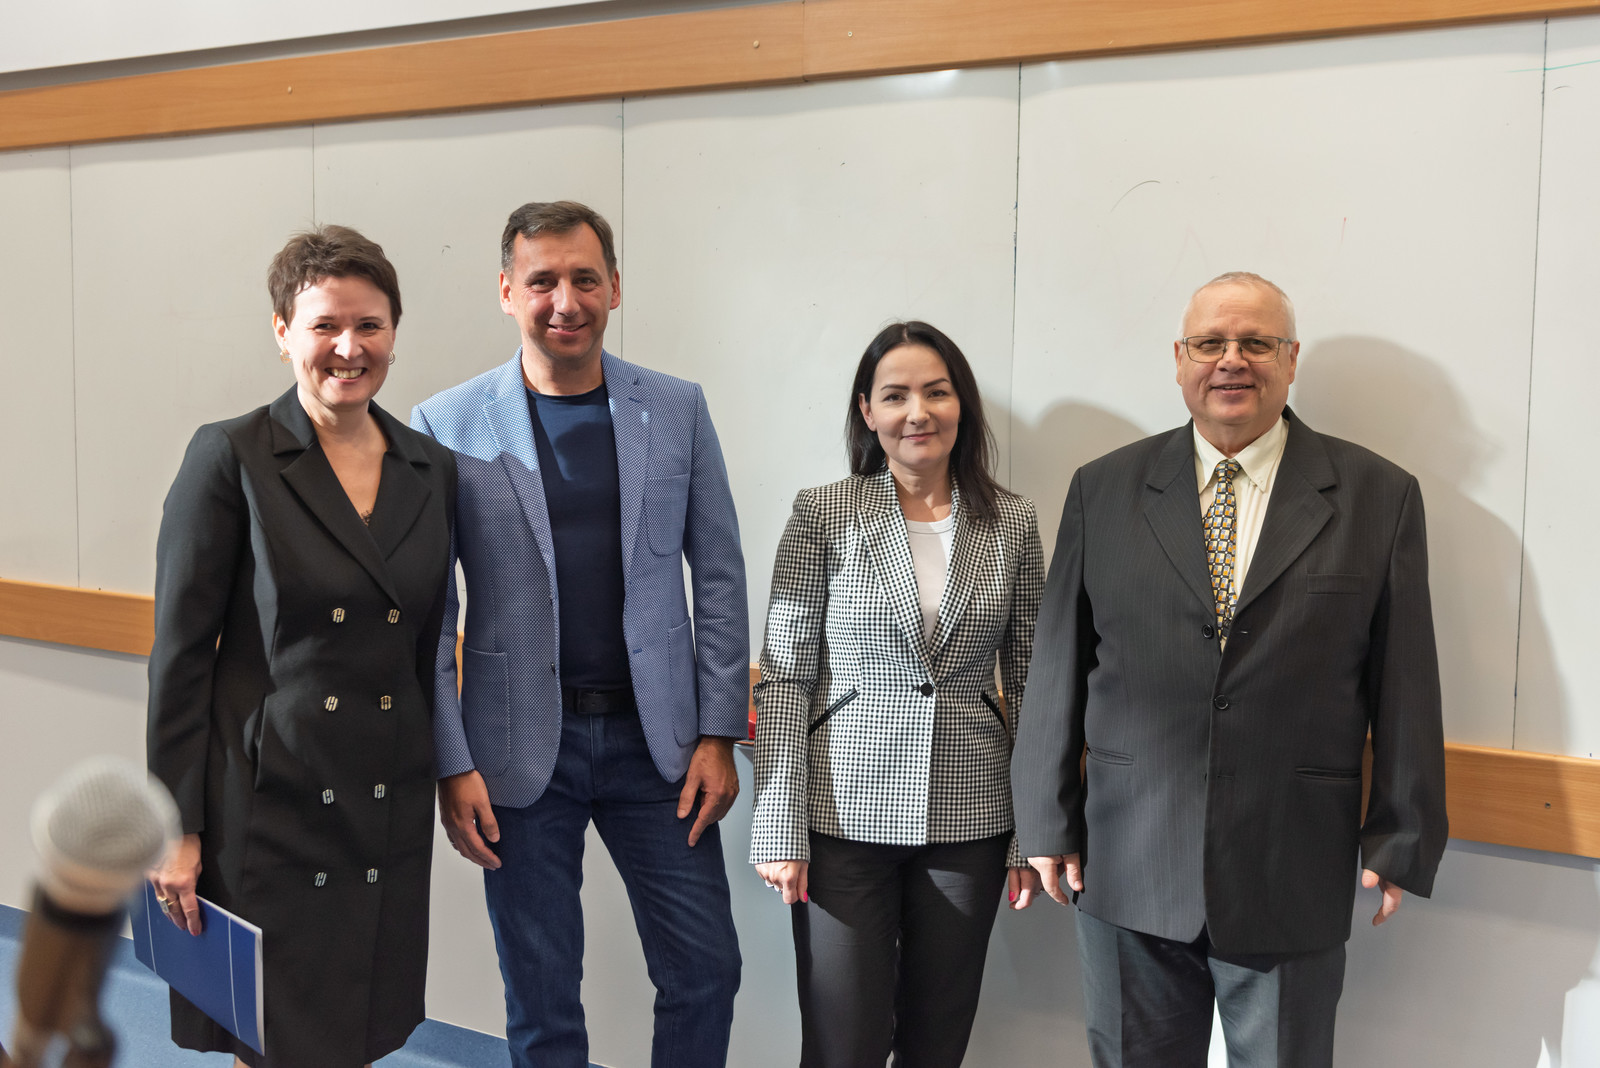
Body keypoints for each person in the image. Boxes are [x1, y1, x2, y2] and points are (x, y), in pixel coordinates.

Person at [1011, 272, 1449, 1067]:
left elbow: (1406, 682)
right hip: (1129, 860)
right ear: (1180, 359)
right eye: (1210, 342)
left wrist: (1403, 835)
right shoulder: (1102, 489)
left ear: (1292, 359)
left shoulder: (1378, 497)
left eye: (1257, 343)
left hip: (1290, 863)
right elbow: (1057, 666)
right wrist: (1044, 818)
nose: (1231, 360)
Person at [410, 200, 748, 1068]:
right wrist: (451, 762)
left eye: (585, 279)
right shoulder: (445, 425)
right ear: (507, 292)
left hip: (659, 748)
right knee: (542, 998)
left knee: (706, 972)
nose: (566, 301)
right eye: (543, 282)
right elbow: (433, 617)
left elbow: (718, 576)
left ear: (615, 287)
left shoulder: (675, 409)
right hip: (518, 749)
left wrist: (718, 734)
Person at [146, 225, 456, 1068]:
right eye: (325, 326)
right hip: (271, 796)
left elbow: (428, 647)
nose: (349, 348)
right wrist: (175, 827)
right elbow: (180, 660)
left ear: (394, 331)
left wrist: (449, 771)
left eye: (370, 325)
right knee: (275, 1034)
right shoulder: (231, 456)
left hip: (385, 794)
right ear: (283, 332)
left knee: (358, 1025)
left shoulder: (430, 468)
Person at [750, 321, 1046, 1067]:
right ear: (867, 411)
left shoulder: (1013, 521)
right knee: (841, 1042)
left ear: (961, 404)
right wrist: (779, 823)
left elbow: (1031, 679)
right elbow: (785, 675)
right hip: (841, 815)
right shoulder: (824, 512)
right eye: (896, 395)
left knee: (935, 1041)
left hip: (972, 816)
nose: (919, 412)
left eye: (936, 392)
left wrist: (1031, 832)